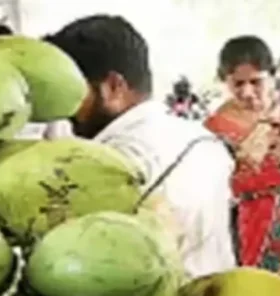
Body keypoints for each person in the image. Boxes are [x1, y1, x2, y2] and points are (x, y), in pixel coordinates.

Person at [46, 15, 236, 279]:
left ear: (114, 87)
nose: (63, 107)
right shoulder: (205, 141)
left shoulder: (108, 164)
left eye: (71, 90)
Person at [205, 37, 280, 277]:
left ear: (272, 75)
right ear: (225, 81)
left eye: (256, 82)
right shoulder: (215, 128)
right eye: (238, 84)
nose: (247, 92)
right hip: (252, 222)